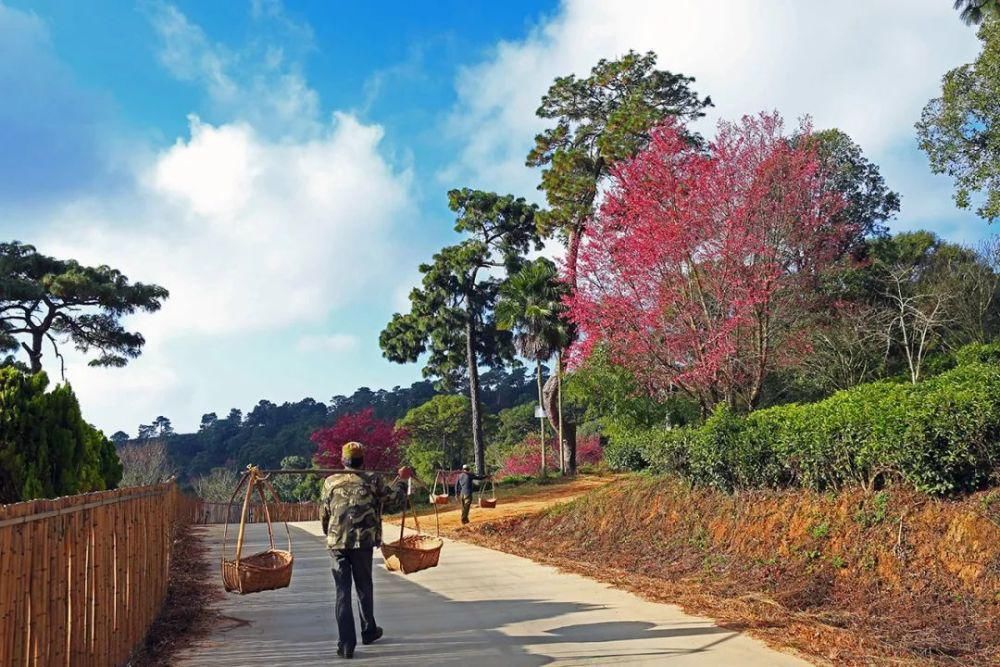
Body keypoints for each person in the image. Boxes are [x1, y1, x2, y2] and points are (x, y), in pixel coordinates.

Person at [320, 441, 412, 660]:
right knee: (363, 586)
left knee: (342, 591)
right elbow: (395, 501)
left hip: (337, 543)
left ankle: (346, 645)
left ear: (343, 461)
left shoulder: (329, 482)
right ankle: (369, 631)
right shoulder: (373, 480)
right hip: (362, 543)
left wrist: (331, 534)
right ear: (363, 460)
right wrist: (402, 480)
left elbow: (325, 513)